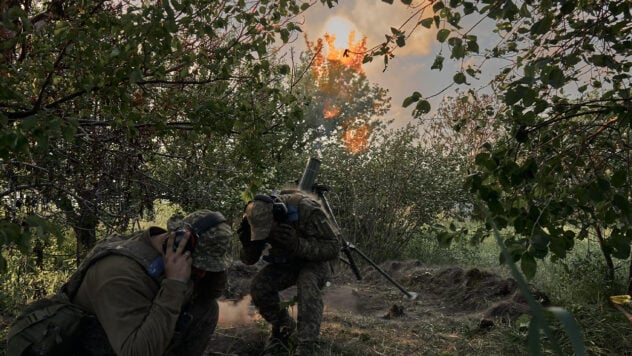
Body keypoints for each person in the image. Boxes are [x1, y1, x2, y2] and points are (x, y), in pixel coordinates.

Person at [22, 209, 232, 356]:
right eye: (199, 267)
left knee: (206, 309)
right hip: (93, 346)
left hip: (131, 330)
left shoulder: (162, 247)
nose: (202, 274)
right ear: (178, 241)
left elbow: (210, 292)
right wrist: (175, 285)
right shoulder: (119, 274)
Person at [238, 190, 340, 355]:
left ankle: (306, 345)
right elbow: (248, 260)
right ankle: (284, 329)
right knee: (260, 286)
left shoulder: (307, 209)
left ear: (278, 215)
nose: (268, 235)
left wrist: (297, 244)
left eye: (270, 230)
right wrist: (248, 245)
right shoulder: (253, 219)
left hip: (316, 262)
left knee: (307, 281)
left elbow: (333, 248)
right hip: (288, 263)